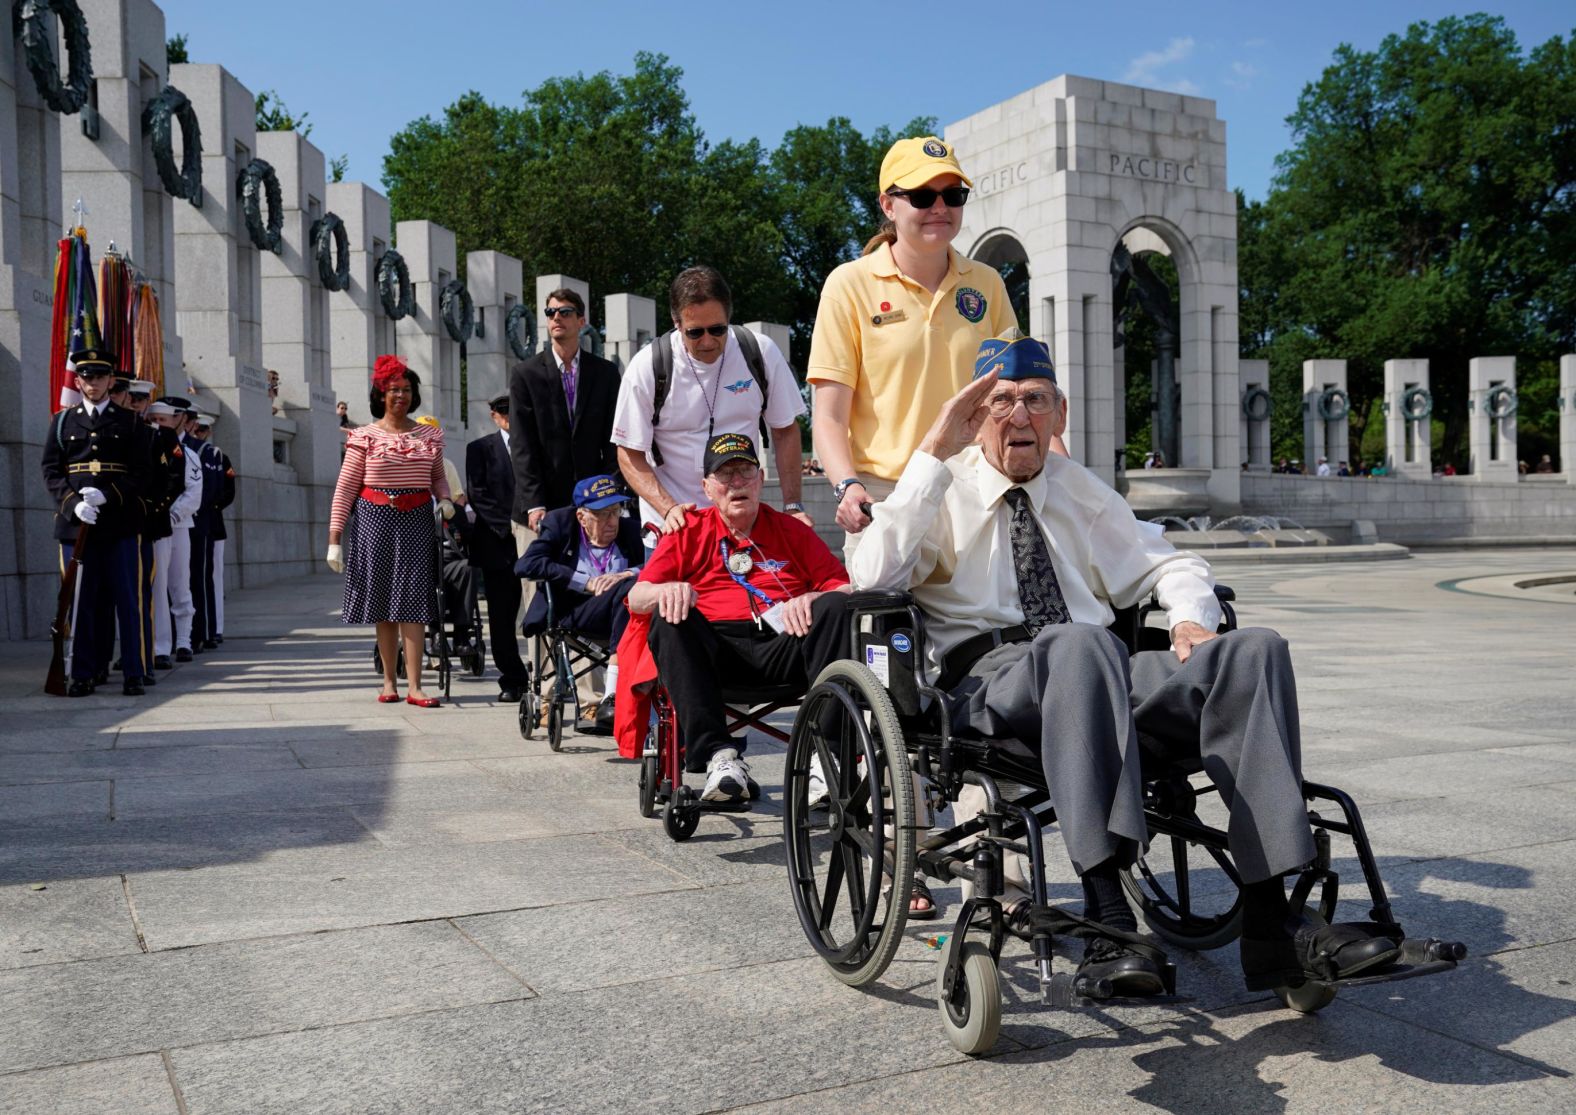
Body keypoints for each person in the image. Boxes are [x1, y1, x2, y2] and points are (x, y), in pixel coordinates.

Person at [851, 336, 1403, 996]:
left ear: (1059, 411)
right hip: (993, 678)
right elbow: (870, 572)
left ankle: (1271, 920)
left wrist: (1190, 616)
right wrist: (935, 447)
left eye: (1035, 400)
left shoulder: (1081, 491)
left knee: (1255, 650)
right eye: (1000, 402)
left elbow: (1172, 562)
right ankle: (1106, 912)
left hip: (1104, 670)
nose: (1019, 416)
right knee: (1078, 644)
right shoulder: (941, 488)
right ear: (975, 416)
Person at [808, 136, 1019, 557]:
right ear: (888, 205)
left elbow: (1017, 390)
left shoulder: (988, 283)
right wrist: (847, 486)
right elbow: (829, 417)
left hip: (975, 493)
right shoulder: (848, 285)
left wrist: (1066, 477)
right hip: (885, 499)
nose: (940, 207)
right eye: (923, 195)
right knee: (892, 624)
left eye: (953, 194)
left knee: (984, 624)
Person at [619, 433, 852, 802]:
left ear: (760, 480)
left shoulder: (791, 529)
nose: (737, 483)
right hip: (715, 653)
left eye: (745, 471)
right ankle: (719, 757)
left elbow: (843, 588)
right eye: (725, 475)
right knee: (669, 615)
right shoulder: (688, 530)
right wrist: (665, 590)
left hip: (783, 645)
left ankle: (827, 760)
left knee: (835, 609)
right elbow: (636, 596)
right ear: (707, 488)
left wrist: (813, 596)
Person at [613, 266, 810, 536]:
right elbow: (628, 452)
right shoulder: (648, 367)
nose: (708, 341)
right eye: (695, 332)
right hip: (675, 529)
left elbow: (785, 429)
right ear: (676, 322)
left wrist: (793, 506)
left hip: (743, 524)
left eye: (718, 330)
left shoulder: (759, 352)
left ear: (729, 317)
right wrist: (669, 509)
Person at [326, 355, 454, 707]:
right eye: (394, 390)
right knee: (382, 601)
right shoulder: (362, 436)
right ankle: (388, 681)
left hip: (415, 520)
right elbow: (345, 488)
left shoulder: (429, 435)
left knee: (413, 600)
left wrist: (444, 499)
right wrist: (334, 539)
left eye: (407, 390)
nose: (401, 396)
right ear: (381, 395)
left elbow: (438, 477)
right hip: (374, 519)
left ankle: (416, 686)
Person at [40, 347, 167, 696]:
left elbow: (143, 473)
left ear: (111, 381)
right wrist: (72, 504)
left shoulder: (130, 423)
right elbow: (51, 470)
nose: (92, 383)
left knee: (127, 598)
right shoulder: (62, 421)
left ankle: (133, 671)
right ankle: (82, 673)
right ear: (78, 380)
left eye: (99, 377)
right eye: (86, 377)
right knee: (80, 602)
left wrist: (108, 495)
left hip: (119, 523)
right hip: (76, 526)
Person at [518, 474, 646, 732]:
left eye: (616, 511)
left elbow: (661, 561)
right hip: (574, 613)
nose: (612, 521)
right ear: (582, 517)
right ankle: (612, 696)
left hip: (619, 617)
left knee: (630, 590)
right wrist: (583, 581)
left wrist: (628, 573)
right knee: (628, 593)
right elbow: (526, 564)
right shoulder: (560, 524)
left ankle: (616, 696)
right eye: (603, 514)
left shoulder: (630, 528)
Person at [466, 394, 528, 703]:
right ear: (494, 416)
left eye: (513, 411)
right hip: (498, 543)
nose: (509, 417)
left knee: (542, 612)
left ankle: (547, 675)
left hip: (534, 540)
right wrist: (509, 528)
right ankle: (513, 678)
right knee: (502, 619)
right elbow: (478, 494)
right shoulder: (479, 449)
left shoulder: (534, 445)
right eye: (504, 413)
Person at [145, 399, 201, 669]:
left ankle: (184, 641)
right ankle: (159, 646)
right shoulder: (146, 446)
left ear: (176, 420)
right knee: (157, 585)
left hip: (178, 526)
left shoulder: (189, 454)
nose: (157, 425)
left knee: (180, 584)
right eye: (152, 419)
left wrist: (171, 514)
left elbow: (193, 493)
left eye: (162, 420)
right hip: (155, 526)